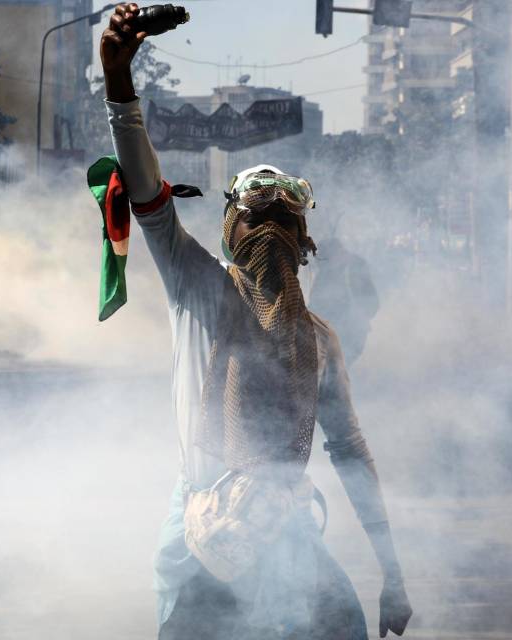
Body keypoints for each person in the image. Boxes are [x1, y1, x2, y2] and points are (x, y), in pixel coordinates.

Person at [100, 5, 413, 638]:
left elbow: (351, 453)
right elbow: (148, 196)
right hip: (199, 526)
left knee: (341, 626)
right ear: (228, 230)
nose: (268, 224)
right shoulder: (199, 288)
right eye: (254, 213)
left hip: (286, 528)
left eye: (285, 218)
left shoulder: (319, 341)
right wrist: (117, 81)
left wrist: (394, 575)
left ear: (305, 243)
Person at [309, 236, 380, 367]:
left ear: (338, 253)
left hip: (351, 336)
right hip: (327, 335)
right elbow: (314, 304)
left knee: (336, 372)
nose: (321, 265)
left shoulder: (354, 269)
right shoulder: (325, 272)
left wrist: (355, 320)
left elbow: (372, 303)